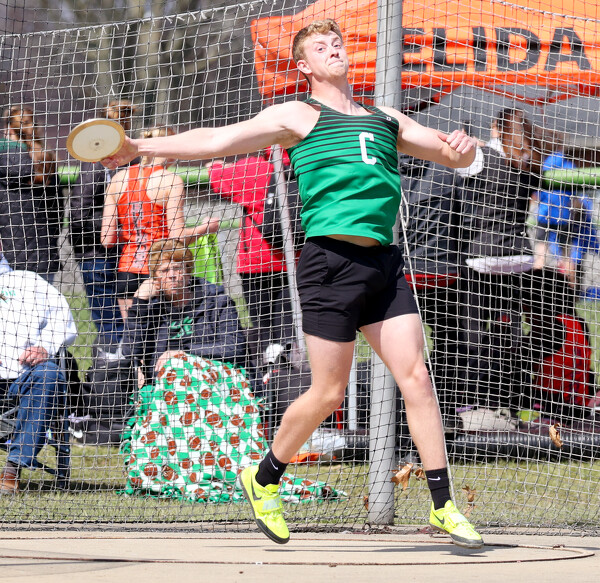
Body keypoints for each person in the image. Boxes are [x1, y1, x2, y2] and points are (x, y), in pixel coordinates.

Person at [101, 19, 483, 548]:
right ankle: (264, 479)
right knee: (327, 392)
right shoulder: (297, 115)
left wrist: (465, 147)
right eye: (320, 47)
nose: (334, 50)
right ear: (304, 66)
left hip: (384, 263)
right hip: (330, 264)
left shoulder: (386, 118)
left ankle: (443, 506)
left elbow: (455, 155)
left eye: (337, 43)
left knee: (416, 377)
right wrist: (139, 144)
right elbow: (217, 139)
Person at [457, 108, 545, 413]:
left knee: (473, 330)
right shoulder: (531, 161)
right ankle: (509, 397)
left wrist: (473, 145)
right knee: (510, 330)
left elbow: (458, 174)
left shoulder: (481, 156)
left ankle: (470, 396)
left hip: (483, 255)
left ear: (496, 127)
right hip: (520, 256)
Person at [100, 126, 219, 320]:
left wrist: (136, 232)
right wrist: (206, 228)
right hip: (160, 272)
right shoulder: (171, 181)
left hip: (126, 272)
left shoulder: (117, 179)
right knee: (162, 333)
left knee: (133, 332)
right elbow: (178, 236)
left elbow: (107, 240)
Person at [206, 149, 296, 365]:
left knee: (262, 323)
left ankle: (270, 369)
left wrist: (216, 166)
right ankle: (291, 365)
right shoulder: (302, 165)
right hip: (294, 258)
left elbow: (218, 179)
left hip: (255, 261)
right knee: (289, 322)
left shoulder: (253, 167)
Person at [120, 239, 248, 386]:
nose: (172, 275)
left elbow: (234, 347)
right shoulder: (151, 309)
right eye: (164, 270)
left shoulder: (217, 302)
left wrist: (183, 353)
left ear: (188, 271)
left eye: (177, 268)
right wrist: (139, 303)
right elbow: (130, 353)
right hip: (164, 386)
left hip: (213, 381)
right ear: (155, 278)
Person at [0, 269, 77, 494]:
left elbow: (63, 321)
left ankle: (12, 469)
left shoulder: (28, 281)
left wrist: (45, 346)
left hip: (22, 379)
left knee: (49, 374)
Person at [69, 99, 136, 353]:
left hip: (118, 251)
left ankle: (124, 362)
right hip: (99, 251)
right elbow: (80, 208)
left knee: (122, 318)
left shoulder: (126, 159)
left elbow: (81, 206)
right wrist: (109, 230)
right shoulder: (99, 160)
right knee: (113, 319)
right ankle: (118, 365)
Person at [1, 106, 62, 281]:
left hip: (9, 257)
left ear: (9, 129)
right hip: (44, 254)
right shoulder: (47, 159)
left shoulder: (4, 160)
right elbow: (58, 212)